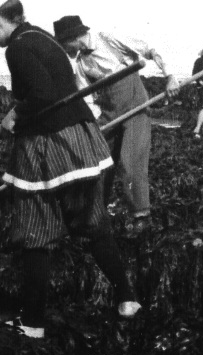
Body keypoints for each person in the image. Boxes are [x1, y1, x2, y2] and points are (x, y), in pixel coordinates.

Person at [0, 0, 140, 338]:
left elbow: (42, 96)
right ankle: (127, 298)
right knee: (93, 222)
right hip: (82, 139)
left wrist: (10, 121)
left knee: (36, 231)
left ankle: (32, 324)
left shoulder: (16, 48)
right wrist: (2, 125)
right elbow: (53, 89)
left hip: (48, 148)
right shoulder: (43, 37)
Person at [53, 15, 179, 230]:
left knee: (130, 163)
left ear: (73, 38)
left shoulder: (108, 39)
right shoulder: (81, 63)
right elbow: (87, 99)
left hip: (135, 108)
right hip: (109, 115)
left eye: (64, 45)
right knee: (96, 162)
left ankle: (141, 216)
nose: (64, 51)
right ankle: (96, 214)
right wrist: (94, 125)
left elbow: (150, 49)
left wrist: (170, 76)